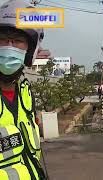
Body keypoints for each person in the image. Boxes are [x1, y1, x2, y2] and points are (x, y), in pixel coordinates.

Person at [0, 0, 47, 179]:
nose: (9, 46)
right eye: (3, 39)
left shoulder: (25, 94)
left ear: (30, 51)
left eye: (18, 40)